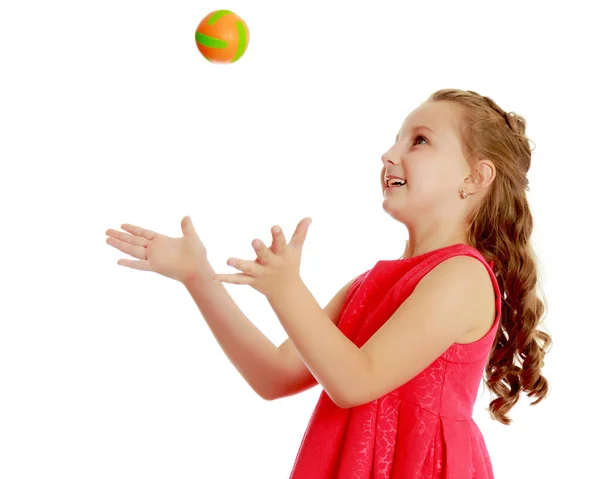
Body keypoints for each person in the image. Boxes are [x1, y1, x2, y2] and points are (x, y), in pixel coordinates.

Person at [105, 88, 552, 478]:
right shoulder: (369, 284)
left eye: (419, 141)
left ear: (474, 178)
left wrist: (287, 291)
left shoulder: (463, 276)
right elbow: (275, 376)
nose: (389, 154)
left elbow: (357, 380)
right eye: (395, 139)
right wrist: (198, 278)